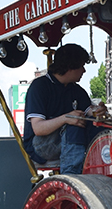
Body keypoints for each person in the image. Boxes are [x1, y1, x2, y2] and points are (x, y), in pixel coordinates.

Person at [22, 43, 104, 174]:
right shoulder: (40, 87)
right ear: (70, 67)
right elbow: (38, 128)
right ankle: (72, 175)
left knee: (99, 125)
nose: (84, 71)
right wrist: (67, 118)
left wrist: (98, 112)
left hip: (67, 140)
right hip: (41, 145)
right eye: (82, 66)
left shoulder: (76, 90)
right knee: (75, 124)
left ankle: (103, 165)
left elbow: (90, 112)